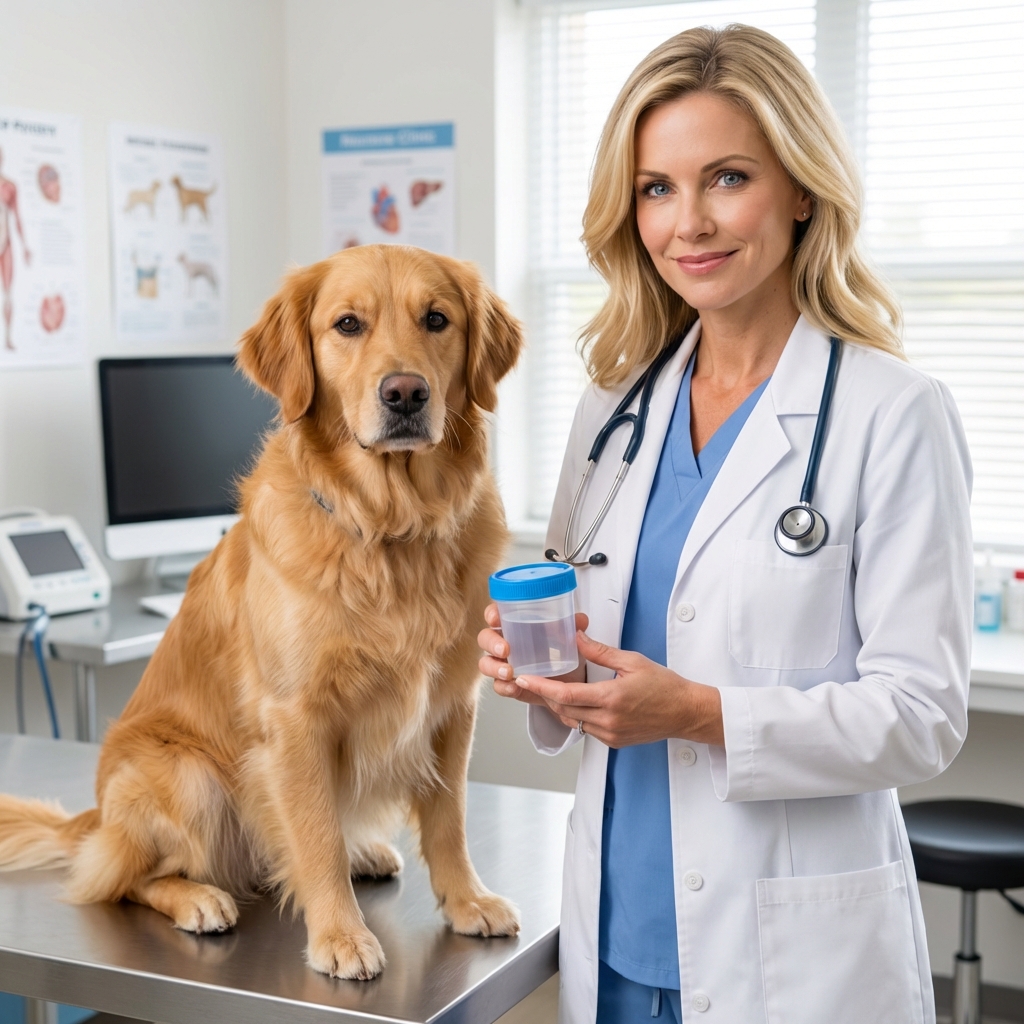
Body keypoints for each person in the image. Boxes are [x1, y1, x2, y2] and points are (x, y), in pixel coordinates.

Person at [478, 24, 972, 1024]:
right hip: (614, 931)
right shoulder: (609, 413)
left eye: (727, 177)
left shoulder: (891, 412)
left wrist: (701, 713)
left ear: (799, 187)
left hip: (790, 959)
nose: (687, 223)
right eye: (656, 187)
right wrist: (538, 668)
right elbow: (594, 638)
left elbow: (922, 717)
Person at [0, 147, 32, 351]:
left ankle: (8, 338)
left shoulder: (9, 186)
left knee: (8, 293)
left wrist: (25, 246)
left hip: (5, 244)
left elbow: (18, 217)